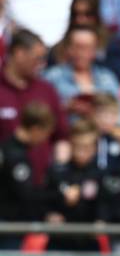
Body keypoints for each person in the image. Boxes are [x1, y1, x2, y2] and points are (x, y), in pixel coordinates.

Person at [0, 29, 69, 185]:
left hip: (42, 187)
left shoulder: (47, 90)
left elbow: (61, 136)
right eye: (37, 58)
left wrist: (58, 171)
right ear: (19, 53)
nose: (42, 64)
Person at [44, 118, 106, 252]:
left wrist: (101, 220)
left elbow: (106, 205)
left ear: (95, 148)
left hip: (89, 243)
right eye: (77, 146)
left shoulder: (101, 175)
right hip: (59, 243)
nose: (81, 152)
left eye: (86, 147)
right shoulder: (56, 172)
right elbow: (43, 202)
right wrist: (51, 215)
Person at [44, 25, 120, 124]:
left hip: (104, 136)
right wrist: (65, 108)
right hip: (67, 135)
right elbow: (40, 114)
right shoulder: (52, 77)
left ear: (95, 51)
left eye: (87, 48)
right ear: (68, 49)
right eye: (78, 47)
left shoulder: (107, 77)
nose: (82, 53)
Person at [0, 101, 55, 248]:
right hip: (8, 227)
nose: (44, 140)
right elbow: (26, 195)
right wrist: (58, 195)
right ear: (36, 130)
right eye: (45, 134)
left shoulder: (8, 147)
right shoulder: (15, 156)